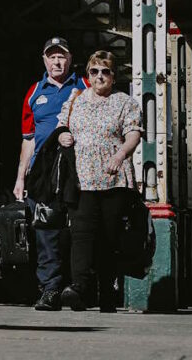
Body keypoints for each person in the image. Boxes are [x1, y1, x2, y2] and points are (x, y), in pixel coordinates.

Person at [56, 50, 142, 312]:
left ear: (113, 76)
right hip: (82, 179)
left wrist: (120, 154)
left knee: (108, 237)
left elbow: (134, 135)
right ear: (88, 75)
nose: (99, 76)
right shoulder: (76, 99)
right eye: (94, 72)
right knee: (81, 234)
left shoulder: (125, 102)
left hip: (112, 178)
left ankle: (106, 291)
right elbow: (61, 126)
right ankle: (79, 287)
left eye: (105, 71)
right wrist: (63, 136)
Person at [14, 37, 88, 311]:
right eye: (52, 56)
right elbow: (28, 139)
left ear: (70, 60)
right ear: (44, 60)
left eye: (62, 56)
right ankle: (50, 289)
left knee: (79, 231)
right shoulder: (35, 92)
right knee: (46, 231)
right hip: (44, 174)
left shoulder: (84, 86)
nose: (57, 61)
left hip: (79, 171)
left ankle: (78, 287)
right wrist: (21, 176)